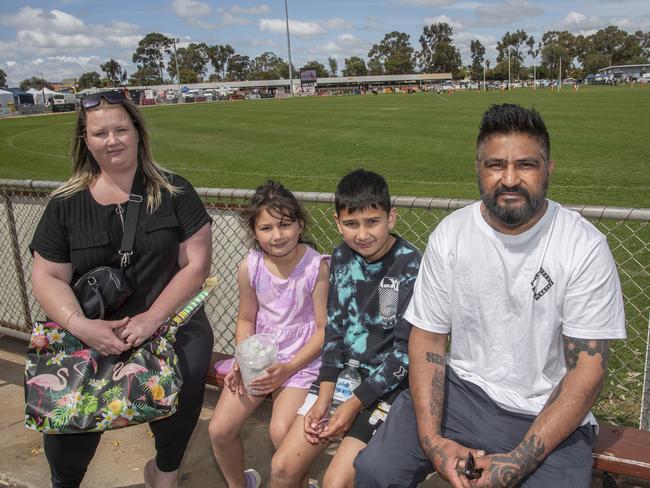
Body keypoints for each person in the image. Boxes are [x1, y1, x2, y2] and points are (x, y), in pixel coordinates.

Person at [354, 103, 627, 488]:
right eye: (496, 165)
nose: (510, 179)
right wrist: (434, 443)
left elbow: (587, 371)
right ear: (478, 168)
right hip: (461, 391)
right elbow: (428, 340)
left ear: (548, 168)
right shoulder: (451, 235)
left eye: (527, 165)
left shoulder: (583, 246)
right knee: (375, 470)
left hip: (544, 409)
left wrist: (518, 461)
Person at [29, 90, 214, 488]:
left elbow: (196, 265)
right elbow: (46, 276)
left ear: (137, 133)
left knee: (187, 375)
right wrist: (80, 325)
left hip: (162, 321)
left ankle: (165, 472)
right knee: (68, 436)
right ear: (85, 140)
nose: (112, 140)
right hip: (91, 329)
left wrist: (152, 318)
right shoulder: (65, 204)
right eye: (100, 133)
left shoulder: (174, 191)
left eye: (120, 130)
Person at [271, 169, 421, 488]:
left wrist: (353, 405)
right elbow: (334, 333)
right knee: (282, 468)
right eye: (351, 224)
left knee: (335, 482)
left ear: (391, 218)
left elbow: (404, 356)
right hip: (341, 381)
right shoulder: (340, 257)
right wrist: (325, 398)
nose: (362, 234)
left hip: (387, 389)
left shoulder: (410, 264)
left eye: (372, 222)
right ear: (338, 223)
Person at [208, 180, 330, 488]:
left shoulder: (317, 267)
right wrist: (242, 359)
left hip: (301, 362)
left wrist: (287, 369)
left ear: (300, 224)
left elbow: (321, 330)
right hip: (260, 358)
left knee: (281, 432)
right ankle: (241, 484)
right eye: (266, 228)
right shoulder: (250, 266)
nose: (277, 236)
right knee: (219, 430)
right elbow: (246, 318)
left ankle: (299, 482)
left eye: (285, 225)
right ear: (253, 231)